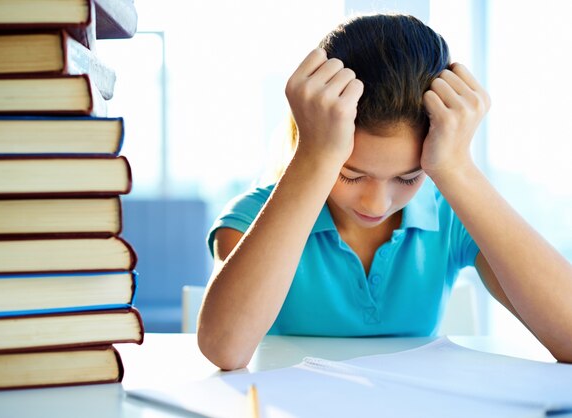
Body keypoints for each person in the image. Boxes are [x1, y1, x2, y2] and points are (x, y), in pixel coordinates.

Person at [196, 14, 572, 370]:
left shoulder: (450, 215)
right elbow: (225, 349)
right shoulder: (253, 215)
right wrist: (313, 157)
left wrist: (457, 169)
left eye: (408, 178)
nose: (376, 203)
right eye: (350, 175)